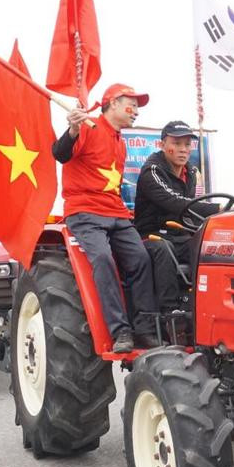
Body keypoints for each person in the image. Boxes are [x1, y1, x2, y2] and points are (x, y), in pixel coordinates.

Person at [52, 83, 158, 353]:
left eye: (137, 106)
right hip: (85, 211)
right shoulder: (88, 126)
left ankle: (144, 328)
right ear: (111, 103)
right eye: (130, 104)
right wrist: (73, 129)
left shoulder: (120, 142)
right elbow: (60, 153)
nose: (135, 111)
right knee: (102, 258)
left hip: (116, 213)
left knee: (141, 258)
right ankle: (120, 331)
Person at [134, 120, 220, 312]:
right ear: (162, 145)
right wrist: (219, 208)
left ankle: (206, 308)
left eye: (187, 144)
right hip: (150, 234)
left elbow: (191, 209)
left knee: (209, 248)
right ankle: (170, 314)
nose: (183, 149)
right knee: (164, 249)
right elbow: (176, 202)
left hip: (179, 233)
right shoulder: (152, 171)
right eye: (176, 143)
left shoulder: (190, 172)